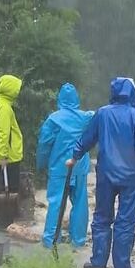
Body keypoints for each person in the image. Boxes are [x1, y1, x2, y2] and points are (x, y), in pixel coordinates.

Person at [66, 77, 135, 268]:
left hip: (106, 174)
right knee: (125, 221)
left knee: (102, 217)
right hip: (131, 177)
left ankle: (98, 262)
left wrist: (74, 156)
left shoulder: (102, 113)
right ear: (132, 93)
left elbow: (87, 138)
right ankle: (122, 267)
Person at [37, 83, 94, 249]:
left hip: (59, 166)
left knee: (55, 202)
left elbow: (44, 144)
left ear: (59, 99)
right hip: (80, 165)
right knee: (80, 202)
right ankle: (78, 240)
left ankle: (51, 240)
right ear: (76, 98)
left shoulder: (53, 119)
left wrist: (41, 164)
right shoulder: (85, 117)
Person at [0, 74, 24, 229]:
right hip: (9, 157)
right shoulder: (4, 107)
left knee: (5, 188)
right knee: (9, 190)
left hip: (5, 155)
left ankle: (3, 221)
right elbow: (4, 133)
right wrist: (3, 155)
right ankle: (5, 222)